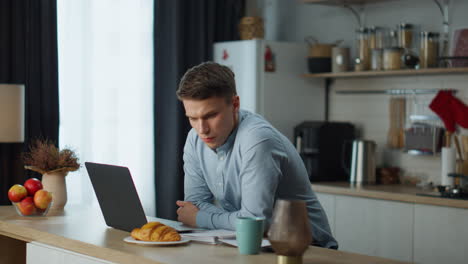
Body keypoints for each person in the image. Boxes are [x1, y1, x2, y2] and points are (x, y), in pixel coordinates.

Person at [175, 61, 338, 249]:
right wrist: (235, 218)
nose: (201, 129)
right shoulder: (194, 139)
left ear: (235, 104)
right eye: (192, 118)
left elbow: (254, 222)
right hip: (249, 243)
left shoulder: (258, 140)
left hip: (308, 250)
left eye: (211, 115)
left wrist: (201, 218)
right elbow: (193, 204)